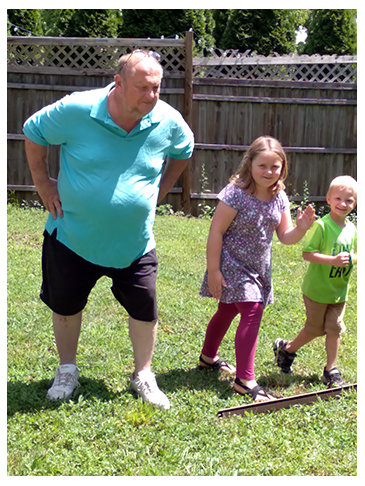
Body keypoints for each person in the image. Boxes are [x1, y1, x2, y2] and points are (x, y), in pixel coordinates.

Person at [22, 50, 194, 409]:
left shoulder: (167, 119)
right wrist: (43, 183)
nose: (151, 96)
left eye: (157, 88)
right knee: (66, 306)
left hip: (134, 242)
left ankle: (143, 374)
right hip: (72, 236)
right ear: (117, 83)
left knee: (145, 310)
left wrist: (162, 189)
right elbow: (33, 132)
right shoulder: (76, 110)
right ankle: (67, 369)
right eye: (142, 87)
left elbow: (184, 149)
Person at [199, 136, 316, 401]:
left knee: (227, 309)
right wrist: (214, 270)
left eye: (275, 167)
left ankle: (207, 357)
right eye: (262, 165)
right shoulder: (236, 193)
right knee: (252, 310)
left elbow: (286, 236)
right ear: (249, 164)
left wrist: (302, 228)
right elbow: (216, 231)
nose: (269, 172)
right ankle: (245, 379)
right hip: (231, 262)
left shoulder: (280, 197)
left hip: (257, 267)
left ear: (282, 168)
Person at [273, 175, 357, 387]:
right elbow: (308, 254)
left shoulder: (352, 229)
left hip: (339, 291)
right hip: (317, 290)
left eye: (349, 200)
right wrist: (333, 260)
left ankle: (331, 369)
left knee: (334, 328)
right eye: (338, 198)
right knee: (314, 329)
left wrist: (351, 258)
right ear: (328, 199)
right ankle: (286, 350)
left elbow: (355, 254)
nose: (343, 204)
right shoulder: (322, 226)